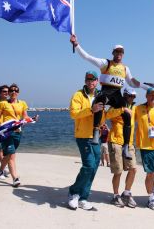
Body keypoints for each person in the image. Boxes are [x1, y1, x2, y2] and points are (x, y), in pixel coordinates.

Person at [70, 35, 148, 160]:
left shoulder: (125, 68)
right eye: (116, 51)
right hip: (106, 91)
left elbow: (133, 82)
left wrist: (147, 87)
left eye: (121, 52)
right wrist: (76, 45)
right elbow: (87, 57)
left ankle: (126, 147)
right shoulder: (106, 63)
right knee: (99, 103)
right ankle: (96, 132)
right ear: (113, 53)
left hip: (117, 94)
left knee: (127, 114)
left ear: (123, 54)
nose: (119, 54)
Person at [67, 71, 105, 211]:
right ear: (85, 80)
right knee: (88, 165)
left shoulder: (101, 95)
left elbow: (104, 113)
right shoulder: (78, 95)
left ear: (97, 81)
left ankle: (83, 198)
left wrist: (119, 110)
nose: (90, 82)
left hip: (96, 135)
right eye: (88, 79)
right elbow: (73, 113)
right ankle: (74, 192)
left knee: (94, 167)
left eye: (93, 79)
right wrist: (90, 109)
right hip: (83, 136)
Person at [0, 84, 35, 188]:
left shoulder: (22, 103)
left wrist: (32, 119)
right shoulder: (3, 104)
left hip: (18, 131)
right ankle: (15, 178)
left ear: (18, 92)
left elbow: (25, 116)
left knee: (9, 155)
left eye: (16, 90)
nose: (14, 92)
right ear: (8, 92)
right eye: (11, 90)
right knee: (11, 154)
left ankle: (0, 170)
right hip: (7, 132)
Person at [106, 88, 138, 208]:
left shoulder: (135, 108)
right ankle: (115, 196)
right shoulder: (116, 105)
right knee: (118, 171)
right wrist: (122, 109)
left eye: (134, 97)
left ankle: (126, 193)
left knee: (133, 169)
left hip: (129, 143)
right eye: (130, 96)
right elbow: (107, 115)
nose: (132, 98)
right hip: (116, 141)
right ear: (124, 95)